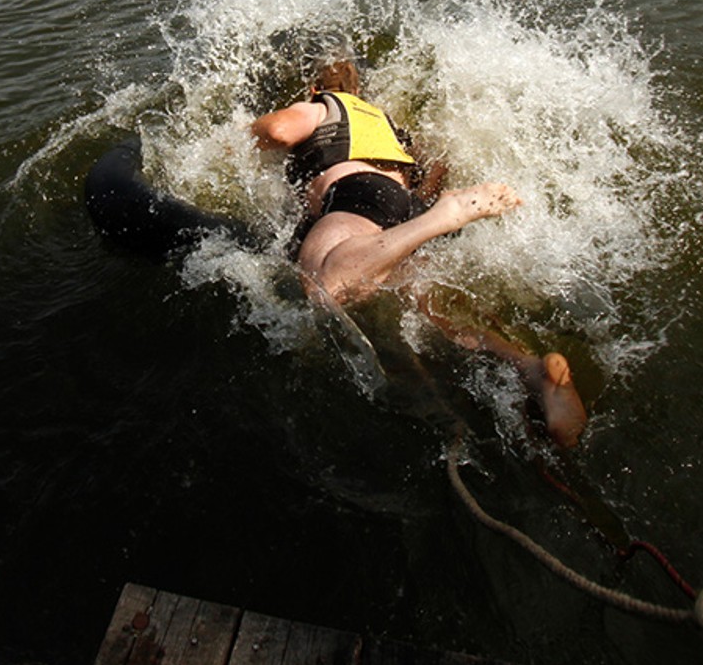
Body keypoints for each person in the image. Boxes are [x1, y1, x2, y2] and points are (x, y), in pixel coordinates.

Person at [249, 58, 588, 448]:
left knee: (328, 285)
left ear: (315, 88)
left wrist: (240, 135)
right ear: (361, 92)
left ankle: (447, 215)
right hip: (401, 206)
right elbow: (432, 172)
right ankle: (529, 369)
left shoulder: (324, 106)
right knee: (435, 321)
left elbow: (278, 129)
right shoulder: (391, 128)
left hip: (359, 194)